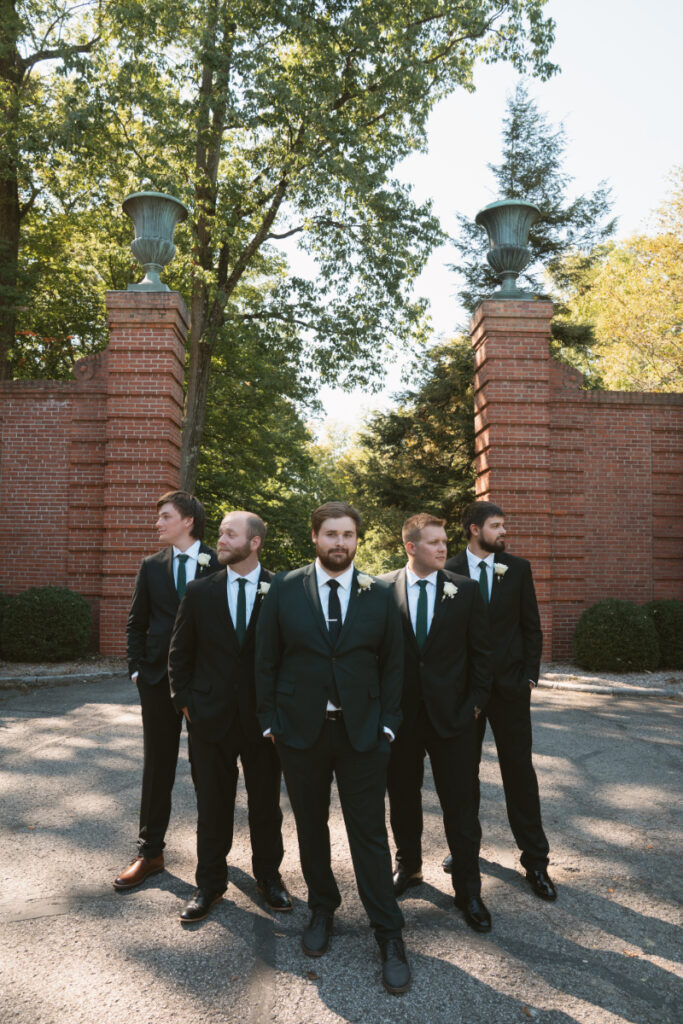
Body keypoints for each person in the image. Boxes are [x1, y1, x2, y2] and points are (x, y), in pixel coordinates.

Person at [255, 501, 410, 994]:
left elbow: (394, 665)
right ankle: (323, 908)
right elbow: (265, 659)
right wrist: (270, 723)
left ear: (356, 540)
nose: (339, 543)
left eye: (348, 535)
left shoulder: (380, 592)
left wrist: (388, 725)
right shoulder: (283, 588)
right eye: (331, 535)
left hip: (363, 734)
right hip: (300, 733)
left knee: (369, 833)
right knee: (310, 825)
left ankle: (388, 933)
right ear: (315, 537)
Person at [168, 511, 291, 923]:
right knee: (213, 806)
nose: (219, 539)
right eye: (220, 532)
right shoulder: (200, 592)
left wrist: (281, 711)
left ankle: (269, 878)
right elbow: (179, 653)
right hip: (209, 718)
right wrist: (185, 702)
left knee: (265, 806)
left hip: (263, 722)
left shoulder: (282, 590)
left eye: (229, 534)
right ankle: (209, 884)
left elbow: (292, 655)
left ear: (254, 542)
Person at [382, 513, 493, 932]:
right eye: (433, 542)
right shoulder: (383, 588)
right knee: (403, 799)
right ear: (411, 547)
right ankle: (408, 867)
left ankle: (469, 890)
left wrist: (474, 708)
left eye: (444, 541)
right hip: (402, 719)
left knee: (461, 809)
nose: (444, 548)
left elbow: (483, 655)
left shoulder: (464, 590)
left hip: (455, 720)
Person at [442, 501, 556, 901]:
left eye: (504, 525)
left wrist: (528, 676)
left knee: (520, 774)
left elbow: (531, 626)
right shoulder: (448, 569)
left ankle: (536, 862)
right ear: (474, 529)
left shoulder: (518, 568)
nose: (503, 531)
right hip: (463, 692)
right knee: (462, 775)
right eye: (496, 525)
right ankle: (463, 852)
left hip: (510, 690)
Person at [114, 491, 219, 892]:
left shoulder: (217, 561)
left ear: (188, 520)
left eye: (165, 516)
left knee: (207, 769)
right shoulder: (151, 566)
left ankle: (214, 858)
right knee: (157, 767)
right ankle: (150, 852)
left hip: (205, 683)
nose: (157, 523)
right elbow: (135, 622)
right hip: (156, 681)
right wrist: (136, 670)